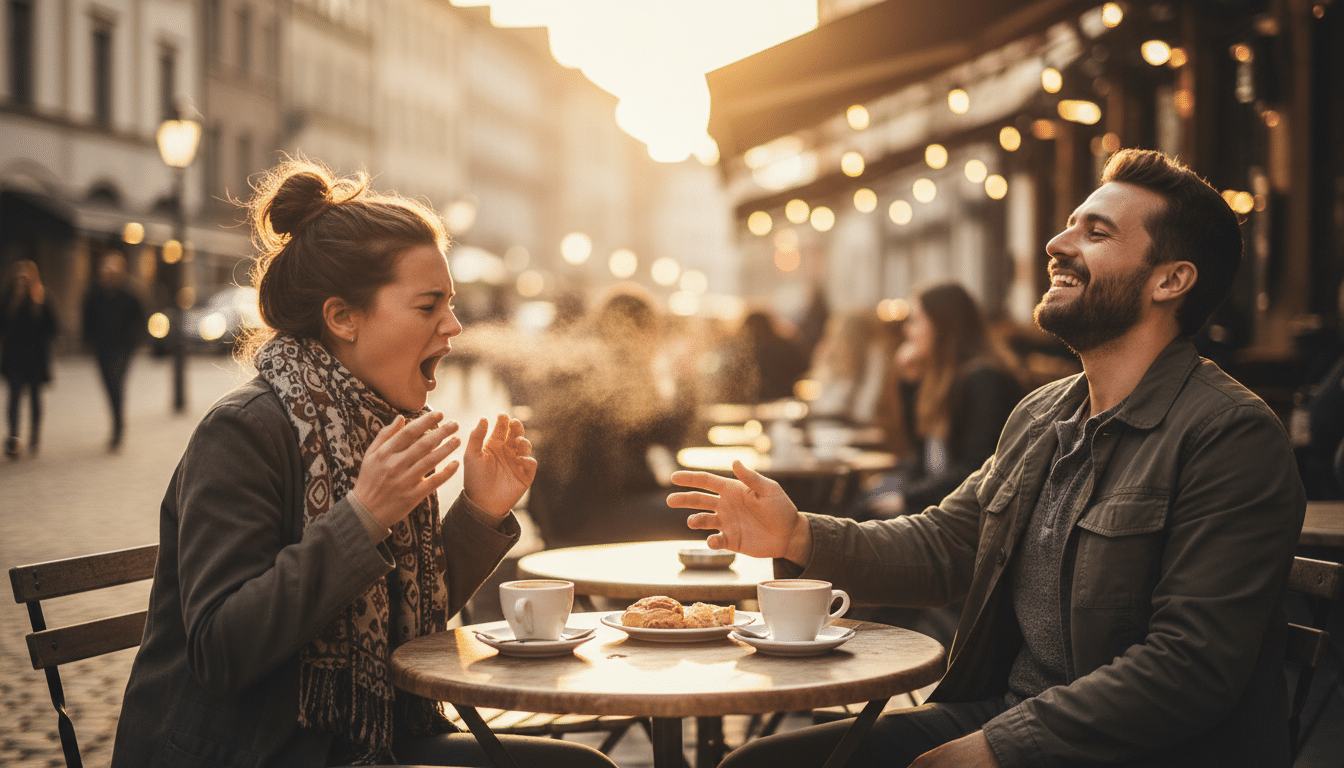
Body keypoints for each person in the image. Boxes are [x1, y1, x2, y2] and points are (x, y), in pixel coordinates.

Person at [668, 149, 1307, 767]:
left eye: (1097, 232)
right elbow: (946, 545)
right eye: (1069, 225)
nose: (1059, 243)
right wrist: (799, 534)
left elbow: (1188, 668)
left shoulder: (1230, 436)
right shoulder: (1042, 415)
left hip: (1132, 751)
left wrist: (1002, 749)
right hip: (1006, 715)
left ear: (1171, 280)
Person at [111, 160, 617, 768]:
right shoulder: (245, 431)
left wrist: (479, 511)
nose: (453, 326)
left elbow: (405, 615)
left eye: (450, 305)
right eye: (429, 306)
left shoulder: (374, 422)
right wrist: (363, 516)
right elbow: (221, 651)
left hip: (360, 742)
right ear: (342, 317)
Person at [855, 283, 1024, 520]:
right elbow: (923, 453)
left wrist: (908, 498)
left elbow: (977, 469)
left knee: (863, 514)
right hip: (941, 497)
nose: (907, 330)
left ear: (943, 326)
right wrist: (910, 382)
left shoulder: (984, 380)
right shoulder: (943, 377)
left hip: (966, 513)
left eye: (915, 320)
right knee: (861, 499)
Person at [82, 249, 145, 451]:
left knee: (117, 382)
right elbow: (87, 318)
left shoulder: (130, 293)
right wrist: (89, 340)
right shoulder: (94, 293)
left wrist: (135, 340)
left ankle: (118, 428)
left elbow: (141, 318)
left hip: (123, 348)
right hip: (102, 347)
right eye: (106, 267)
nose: (109, 272)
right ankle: (116, 421)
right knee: (108, 385)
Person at [0, 259, 58, 458]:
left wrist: (42, 343)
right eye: (18, 279)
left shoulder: (42, 298)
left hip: (35, 359)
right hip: (14, 358)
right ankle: (14, 438)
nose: (21, 283)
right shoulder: (8, 299)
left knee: (34, 399)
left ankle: (34, 435)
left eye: (25, 280)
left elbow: (53, 327)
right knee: (13, 399)